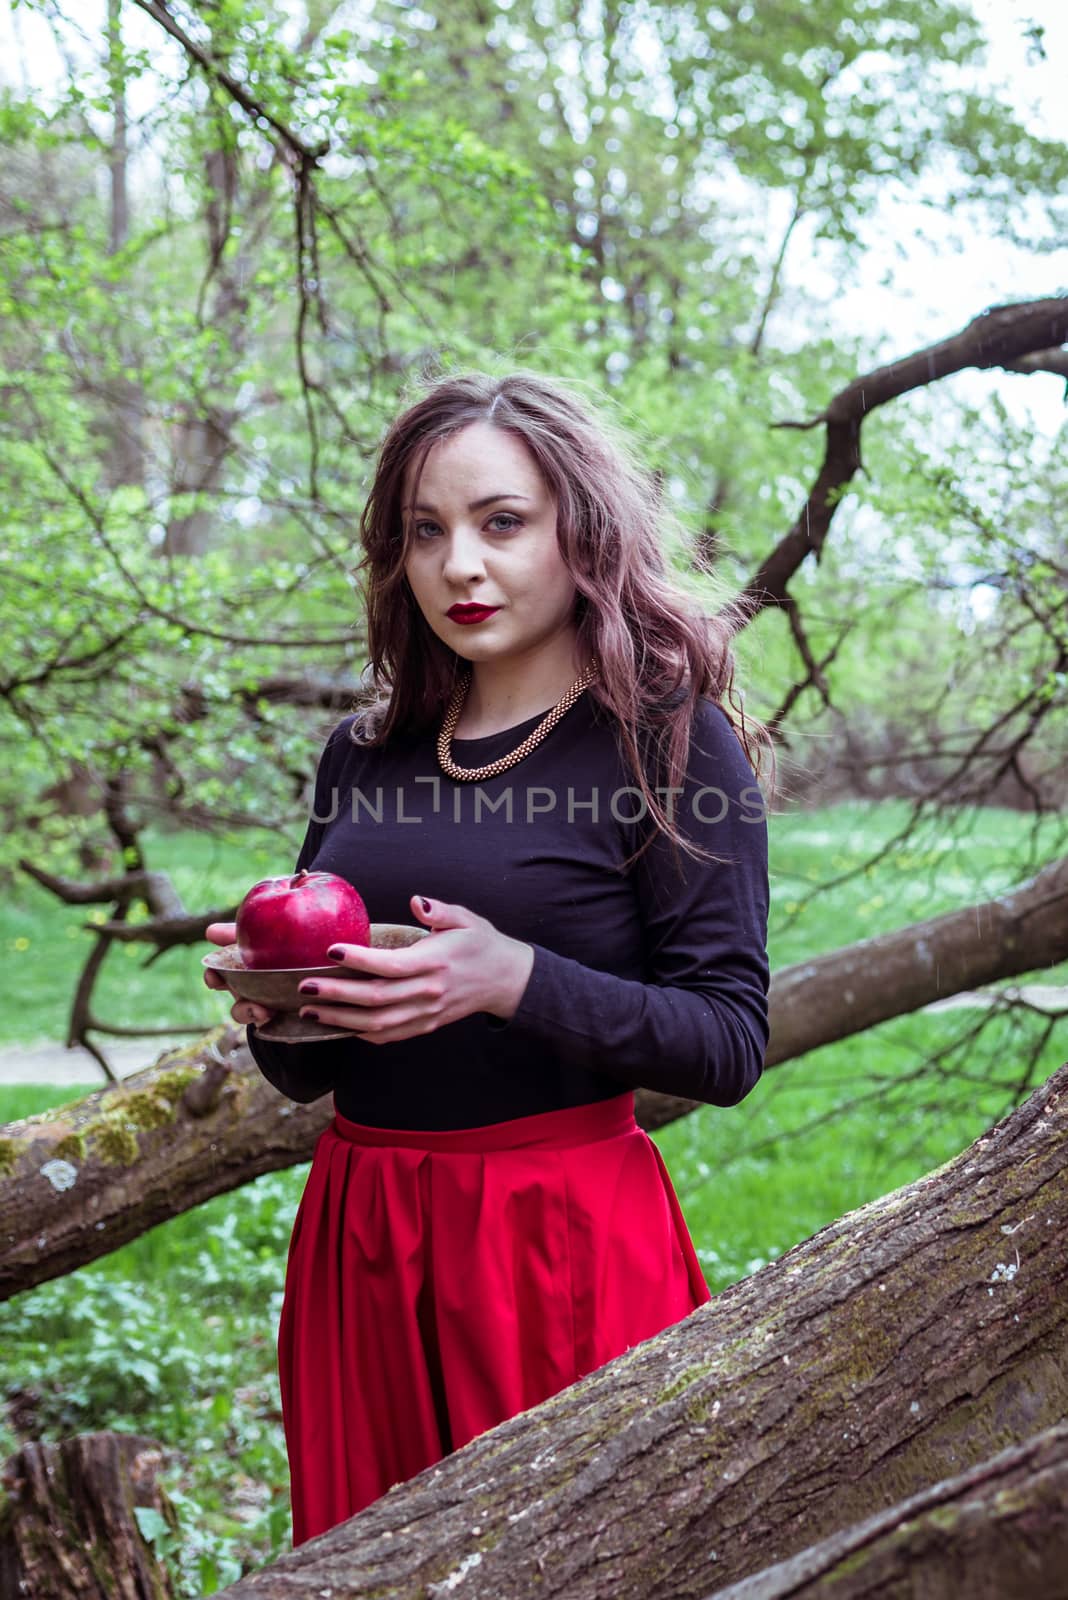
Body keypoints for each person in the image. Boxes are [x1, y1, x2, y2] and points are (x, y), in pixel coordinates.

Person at [203, 370, 771, 1546]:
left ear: (582, 530)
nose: (459, 563)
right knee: (372, 1561)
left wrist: (510, 978)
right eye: (427, 529)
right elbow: (317, 1077)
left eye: (500, 522)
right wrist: (283, 1015)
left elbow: (727, 1038)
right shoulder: (364, 753)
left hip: (554, 1236)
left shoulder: (666, 738)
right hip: (365, 1236)